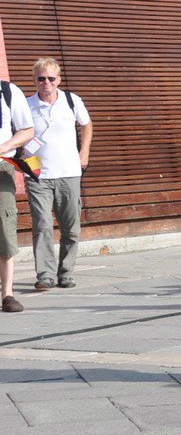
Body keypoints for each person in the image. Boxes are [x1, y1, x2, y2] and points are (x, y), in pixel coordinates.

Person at [24, 58, 93, 292]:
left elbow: (86, 125)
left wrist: (83, 153)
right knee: (42, 225)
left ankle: (66, 272)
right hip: (38, 176)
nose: (46, 82)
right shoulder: (26, 105)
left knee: (71, 227)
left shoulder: (72, 101)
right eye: (41, 78)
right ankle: (45, 275)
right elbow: (20, 135)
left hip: (69, 172)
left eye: (51, 78)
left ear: (59, 79)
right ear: (34, 80)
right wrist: (22, 162)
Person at [0, 76, 35, 312]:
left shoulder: (8, 91)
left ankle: (8, 294)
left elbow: (27, 130)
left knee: (4, 224)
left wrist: (3, 148)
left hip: (1, 166)